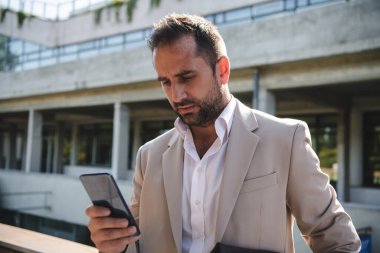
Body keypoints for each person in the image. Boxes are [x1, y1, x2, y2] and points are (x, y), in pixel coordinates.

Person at [86, 13, 361, 253]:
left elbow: (338, 242)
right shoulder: (149, 156)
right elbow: (136, 246)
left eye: (186, 77)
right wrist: (114, 246)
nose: (176, 95)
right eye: (166, 82)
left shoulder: (285, 140)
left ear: (223, 70)